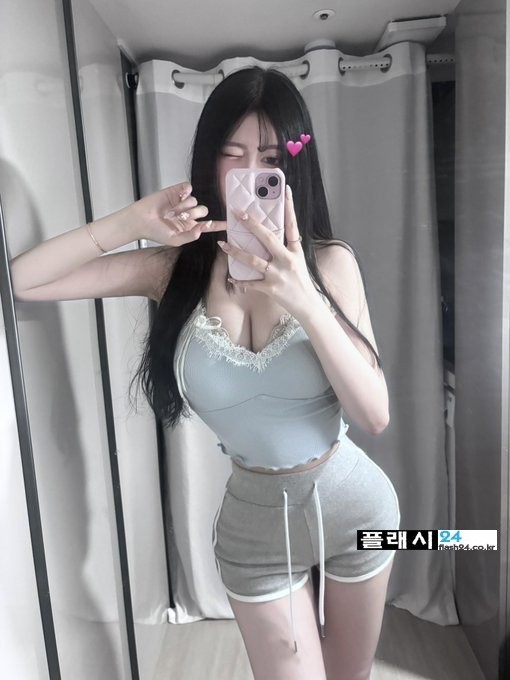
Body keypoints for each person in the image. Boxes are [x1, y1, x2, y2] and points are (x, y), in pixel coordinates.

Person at [10, 66, 400, 680]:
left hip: (361, 516)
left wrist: (304, 298)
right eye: (231, 153)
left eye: (269, 158)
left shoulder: (331, 265)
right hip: (254, 532)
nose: (248, 171)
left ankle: (477, 540)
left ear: (293, 168)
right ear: (208, 160)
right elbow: (23, 280)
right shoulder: (173, 270)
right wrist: (132, 222)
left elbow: (374, 416)